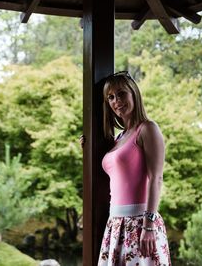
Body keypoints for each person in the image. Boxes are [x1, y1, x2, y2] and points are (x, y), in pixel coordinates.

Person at [80, 71, 171, 265]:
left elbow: (156, 178)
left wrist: (148, 225)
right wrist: (86, 149)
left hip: (140, 223)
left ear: (134, 94)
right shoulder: (118, 138)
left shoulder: (147, 128)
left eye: (121, 94)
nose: (116, 101)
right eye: (111, 97)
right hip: (115, 224)